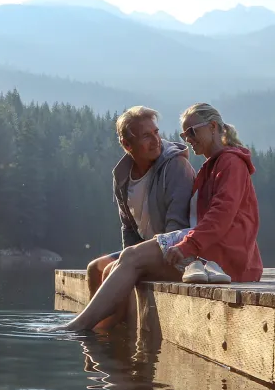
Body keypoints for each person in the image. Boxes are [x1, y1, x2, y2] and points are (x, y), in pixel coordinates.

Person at [56, 102, 263, 332]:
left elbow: (220, 217)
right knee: (116, 264)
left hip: (225, 260)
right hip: (209, 254)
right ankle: (103, 336)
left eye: (192, 132)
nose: (187, 139)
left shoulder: (231, 163)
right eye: (184, 134)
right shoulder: (211, 166)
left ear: (213, 126)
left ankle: (80, 327)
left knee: (131, 258)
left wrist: (186, 246)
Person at [86, 106, 196, 300]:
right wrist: (130, 258)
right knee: (95, 268)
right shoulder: (122, 176)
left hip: (177, 254)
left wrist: (138, 262)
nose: (156, 141)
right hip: (145, 251)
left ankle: (105, 325)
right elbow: (128, 228)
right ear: (127, 144)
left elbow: (177, 227)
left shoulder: (176, 166)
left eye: (156, 133)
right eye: (146, 136)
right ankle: (104, 329)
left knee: (111, 271)